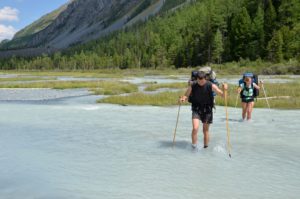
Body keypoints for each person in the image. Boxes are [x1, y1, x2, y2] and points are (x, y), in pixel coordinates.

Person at [179, 71, 227, 149]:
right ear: (196, 79)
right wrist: (183, 99)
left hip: (207, 110)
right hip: (196, 109)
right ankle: (194, 147)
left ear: (206, 79)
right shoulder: (193, 85)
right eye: (198, 81)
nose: (200, 83)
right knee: (195, 128)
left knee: (205, 131)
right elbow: (186, 95)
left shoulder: (211, 85)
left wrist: (225, 90)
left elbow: (223, 96)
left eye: (202, 81)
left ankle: (206, 148)